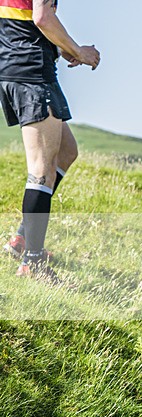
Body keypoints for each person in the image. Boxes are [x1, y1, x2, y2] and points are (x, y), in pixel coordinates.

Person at [0, 0, 100, 282]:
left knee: (67, 152)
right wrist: (79, 50)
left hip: (19, 67)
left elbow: (23, 22)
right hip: (31, 73)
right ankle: (32, 263)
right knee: (41, 172)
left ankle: (23, 238)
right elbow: (43, 18)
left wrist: (63, 48)